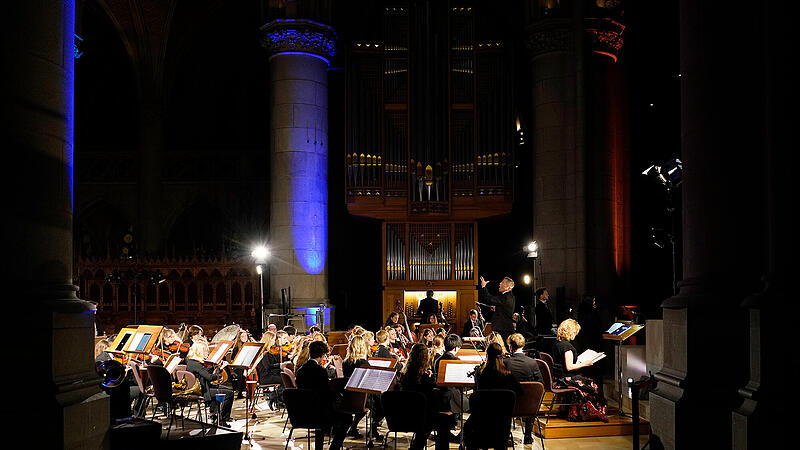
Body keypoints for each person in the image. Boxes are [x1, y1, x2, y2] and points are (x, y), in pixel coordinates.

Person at [294, 340, 350, 450]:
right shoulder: (320, 371)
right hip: (319, 412)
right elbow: (326, 394)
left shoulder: (300, 370)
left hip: (303, 411)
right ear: (322, 355)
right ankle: (334, 448)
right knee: (347, 419)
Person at [399, 343, 456, 449]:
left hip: (405, 415)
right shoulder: (424, 378)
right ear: (425, 358)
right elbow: (431, 395)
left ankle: (417, 445)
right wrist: (430, 379)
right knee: (444, 419)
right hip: (423, 416)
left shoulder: (405, 374)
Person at [551, 319, 607, 421]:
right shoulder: (567, 346)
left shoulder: (557, 344)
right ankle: (587, 413)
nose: (576, 335)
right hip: (566, 379)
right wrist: (585, 363)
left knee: (586, 381)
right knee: (592, 385)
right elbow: (569, 367)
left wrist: (578, 363)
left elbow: (563, 364)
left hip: (559, 377)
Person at [505, 333, 543, 444]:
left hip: (509, 406)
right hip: (528, 406)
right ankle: (527, 436)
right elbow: (541, 383)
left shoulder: (505, 363)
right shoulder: (532, 362)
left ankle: (506, 436)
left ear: (510, 346)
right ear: (523, 345)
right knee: (532, 396)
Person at [186, 340, 233, 427]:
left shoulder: (191, 362)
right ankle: (222, 419)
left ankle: (214, 414)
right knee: (229, 394)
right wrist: (221, 369)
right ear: (200, 351)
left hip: (202, 387)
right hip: (202, 391)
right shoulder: (196, 364)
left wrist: (214, 367)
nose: (207, 352)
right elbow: (210, 377)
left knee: (225, 389)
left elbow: (203, 372)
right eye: (205, 351)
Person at [479, 276, 516, 342]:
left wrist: (483, 287)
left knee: (502, 350)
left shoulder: (506, 297)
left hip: (503, 328)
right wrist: (498, 308)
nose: (500, 283)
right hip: (504, 327)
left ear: (507, 287)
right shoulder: (509, 296)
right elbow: (505, 309)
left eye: (502, 282)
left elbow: (490, 299)